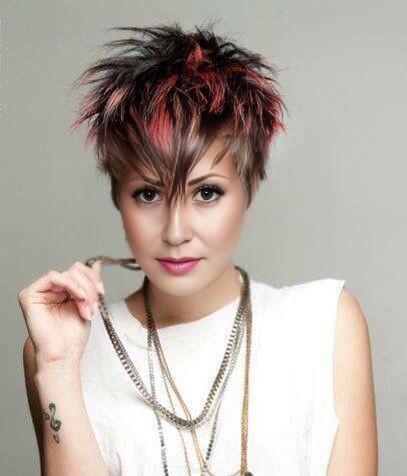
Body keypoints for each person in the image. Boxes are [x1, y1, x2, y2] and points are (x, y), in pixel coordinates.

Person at [18, 21, 378, 476]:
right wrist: (56, 368)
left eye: (206, 193)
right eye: (148, 194)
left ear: (248, 189)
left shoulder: (323, 324)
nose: (175, 231)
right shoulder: (63, 349)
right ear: (117, 197)